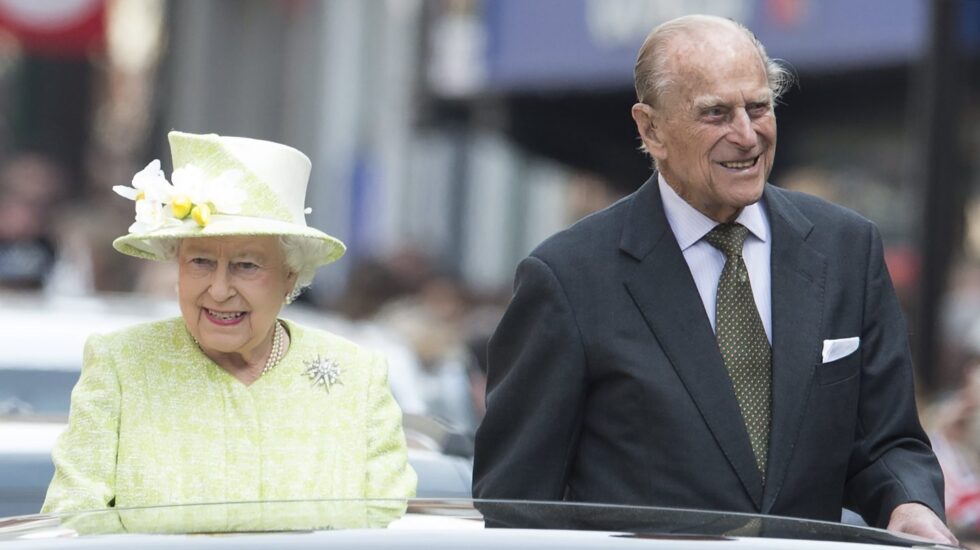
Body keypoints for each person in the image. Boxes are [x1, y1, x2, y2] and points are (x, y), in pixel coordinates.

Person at [472, 15, 955, 544]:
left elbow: (887, 442)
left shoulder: (847, 250)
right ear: (650, 128)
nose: (746, 136)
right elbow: (516, 506)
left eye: (759, 108)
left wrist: (909, 502)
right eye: (716, 114)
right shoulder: (568, 278)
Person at [42, 131, 417, 515]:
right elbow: (70, 522)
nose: (219, 290)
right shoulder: (121, 364)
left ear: (291, 275)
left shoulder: (357, 376)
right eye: (201, 262)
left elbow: (388, 525)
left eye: (246, 265)